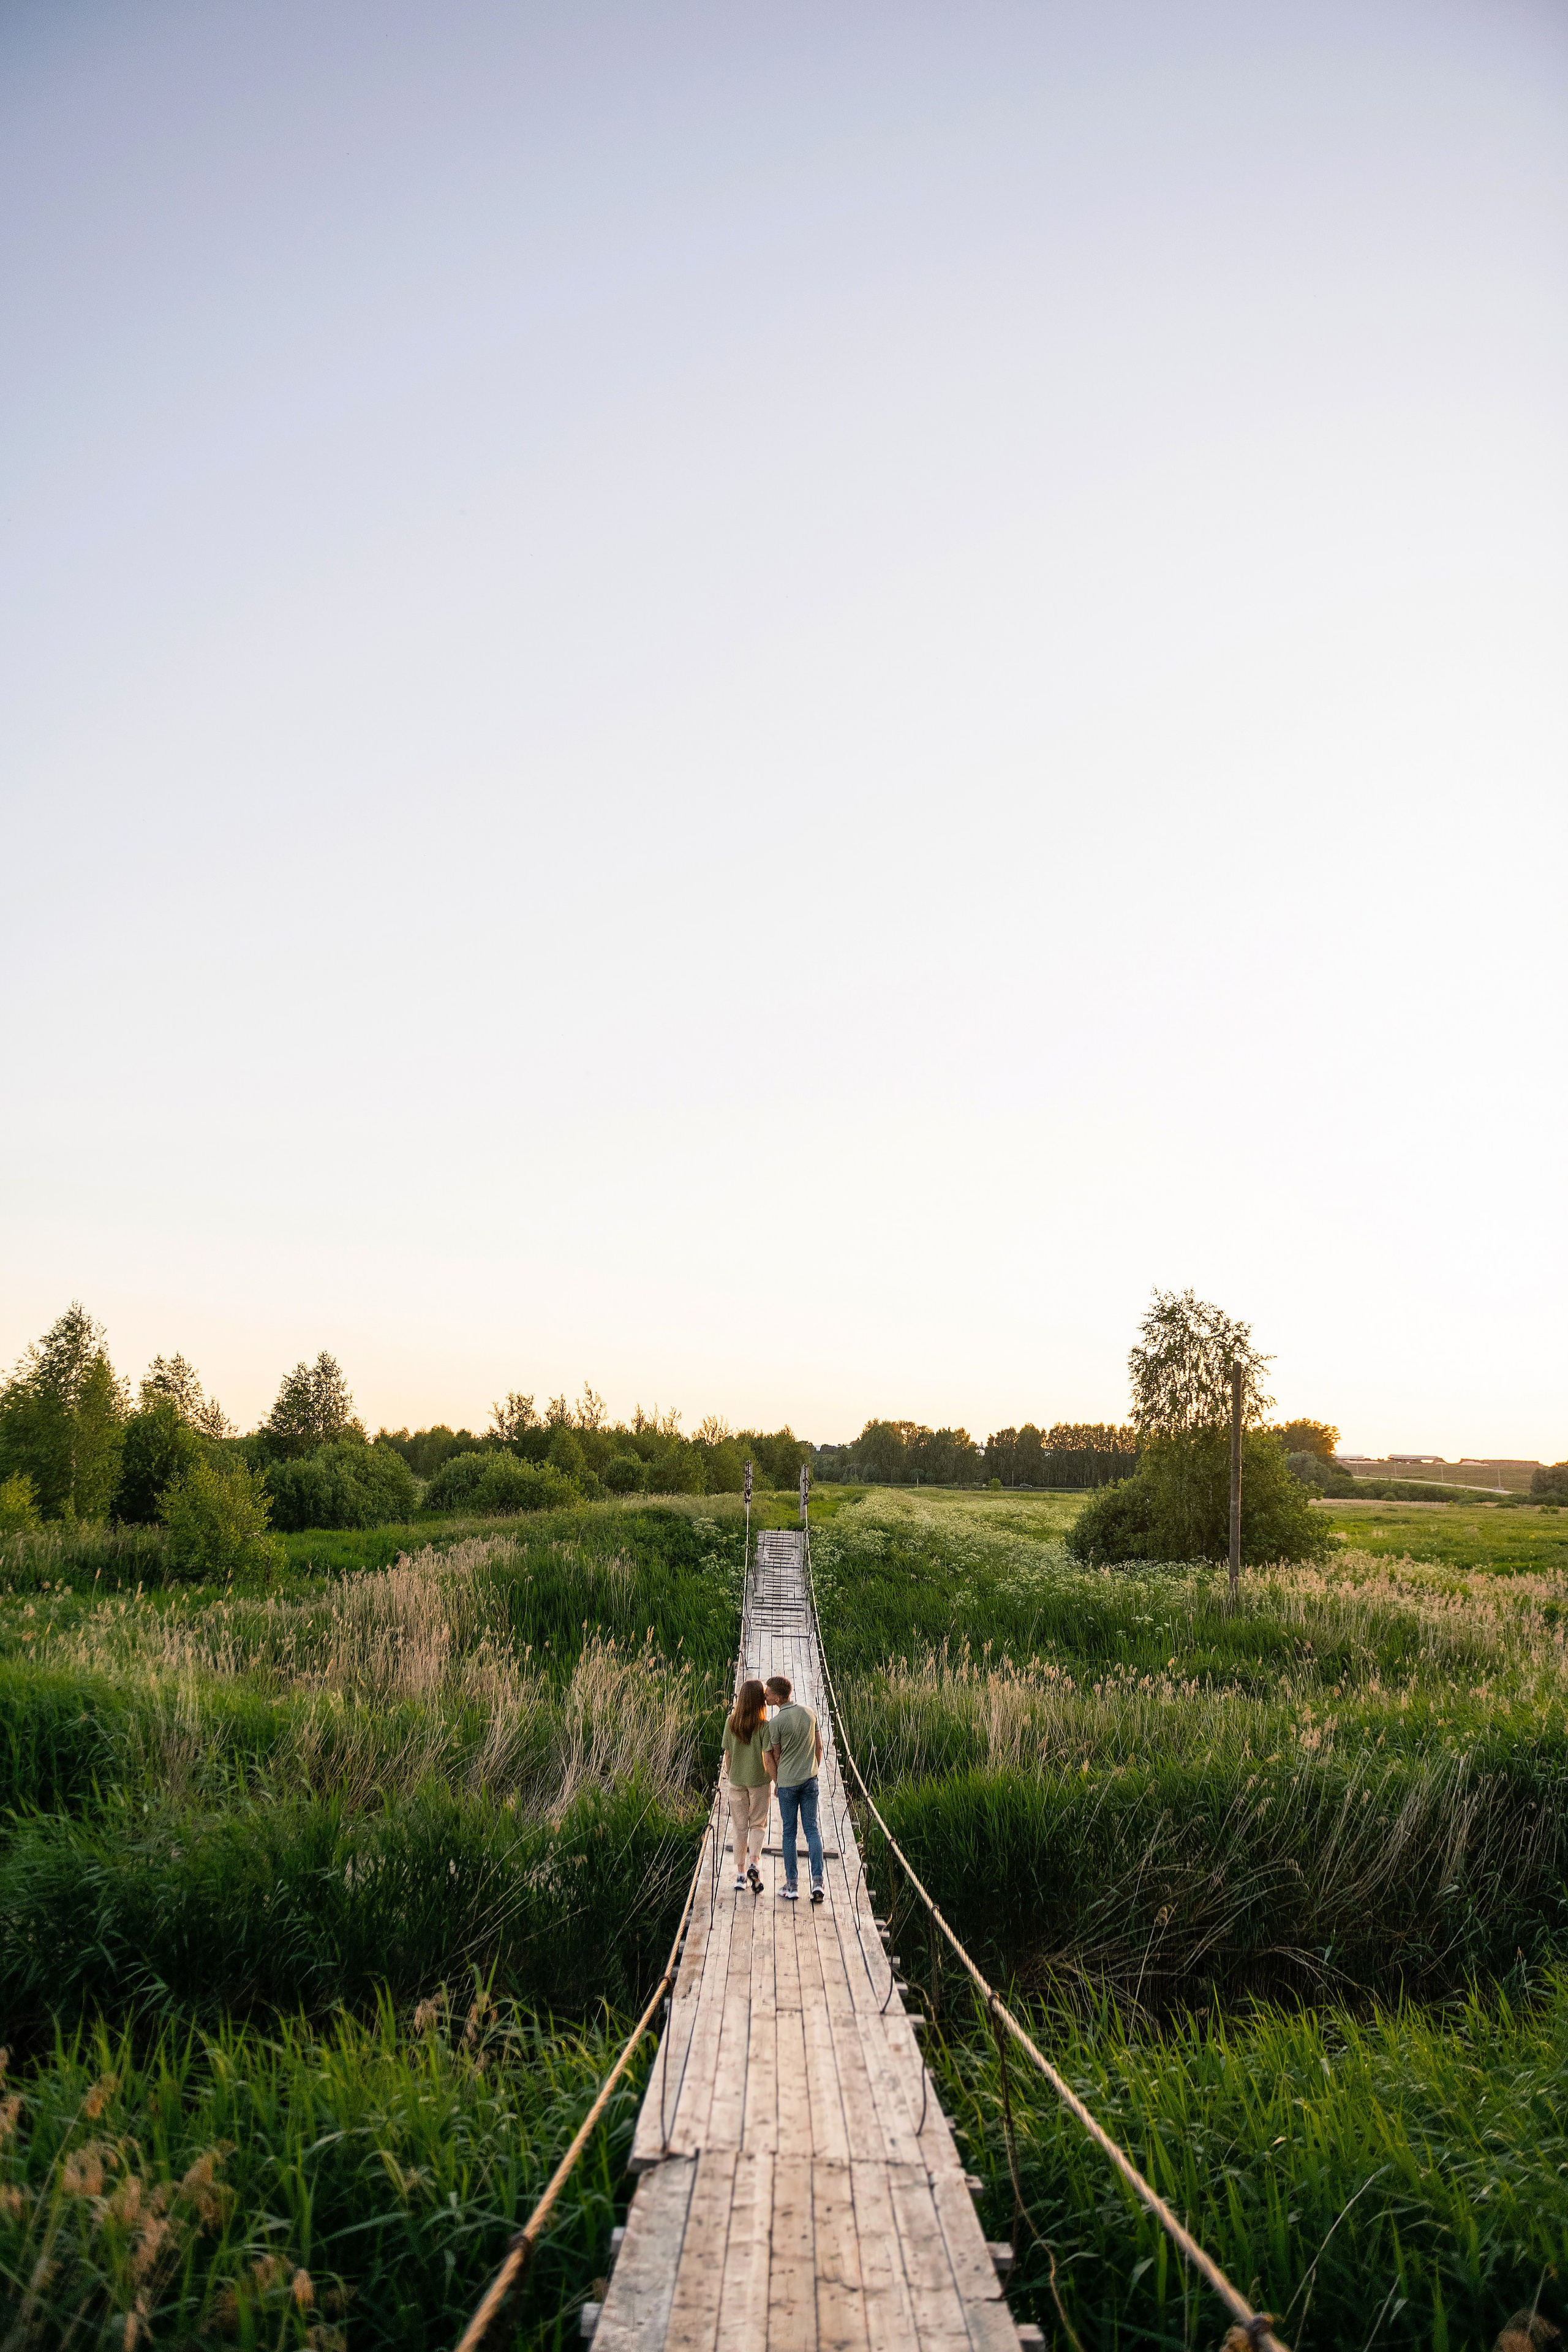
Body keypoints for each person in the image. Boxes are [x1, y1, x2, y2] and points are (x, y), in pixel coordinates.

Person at [761, 1672, 824, 1904]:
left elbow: (775, 1757)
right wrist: (812, 1770)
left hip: (788, 1783)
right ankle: (818, 1883)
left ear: (777, 1698)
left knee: (789, 1833)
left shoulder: (775, 1724)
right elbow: (819, 1746)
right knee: (812, 1830)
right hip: (810, 1780)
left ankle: (792, 1885)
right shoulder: (809, 1713)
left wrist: (779, 1782)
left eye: (768, 1693)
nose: (765, 1695)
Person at [722, 1677, 769, 1893]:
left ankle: (740, 1875)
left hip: (736, 1781)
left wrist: (730, 1775)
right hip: (759, 1780)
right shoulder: (764, 1726)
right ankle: (754, 1864)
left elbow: (728, 1755)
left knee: (739, 1827)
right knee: (758, 1824)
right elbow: (768, 1757)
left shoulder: (731, 1722)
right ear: (761, 1700)